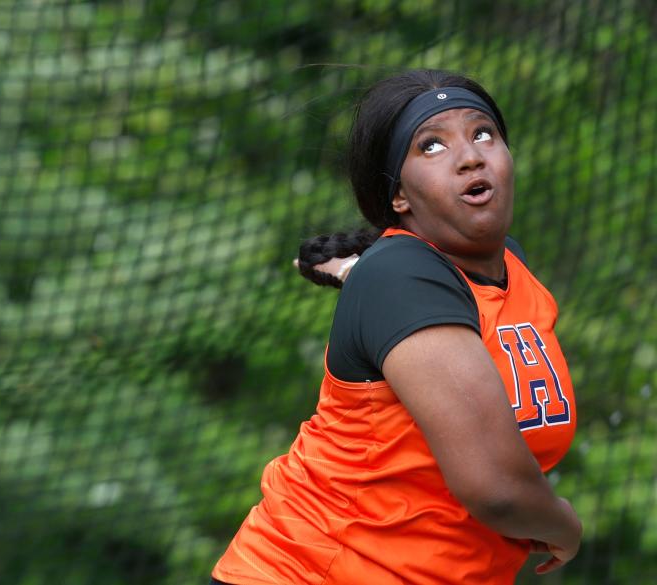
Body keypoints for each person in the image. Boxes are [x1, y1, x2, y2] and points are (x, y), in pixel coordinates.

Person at [209, 69, 581, 584]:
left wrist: (373, 281)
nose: (470, 155)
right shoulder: (400, 275)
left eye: (483, 133)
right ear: (400, 198)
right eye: (431, 146)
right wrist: (564, 524)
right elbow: (496, 487)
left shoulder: (507, 273)